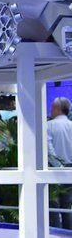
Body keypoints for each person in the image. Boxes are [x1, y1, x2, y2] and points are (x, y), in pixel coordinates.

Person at [48, 96, 72, 228]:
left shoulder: (49, 125)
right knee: (67, 207)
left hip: (53, 170)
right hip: (70, 170)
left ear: (58, 108)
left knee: (53, 207)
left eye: (52, 107)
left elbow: (49, 149)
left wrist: (59, 166)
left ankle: (55, 236)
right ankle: (68, 236)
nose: (50, 110)